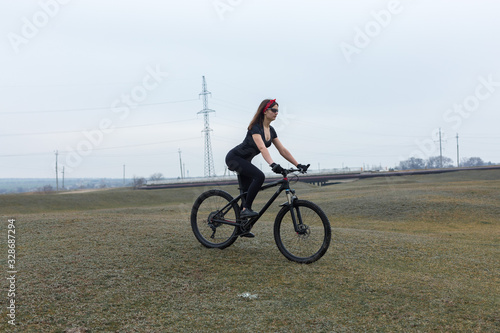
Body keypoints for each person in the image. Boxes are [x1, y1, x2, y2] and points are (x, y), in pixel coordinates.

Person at [225, 99, 309, 235]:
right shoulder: (255, 127)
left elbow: (283, 150)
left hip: (245, 161)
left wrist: (298, 164)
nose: (276, 113)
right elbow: (262, 147)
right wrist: (272, 164)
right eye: (274, 110)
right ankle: (246, 209)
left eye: (277, 110)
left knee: (246, 192)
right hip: (235, 159)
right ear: (265, 111)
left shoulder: (271, 130)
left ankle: (241, 227)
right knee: (259, 176)